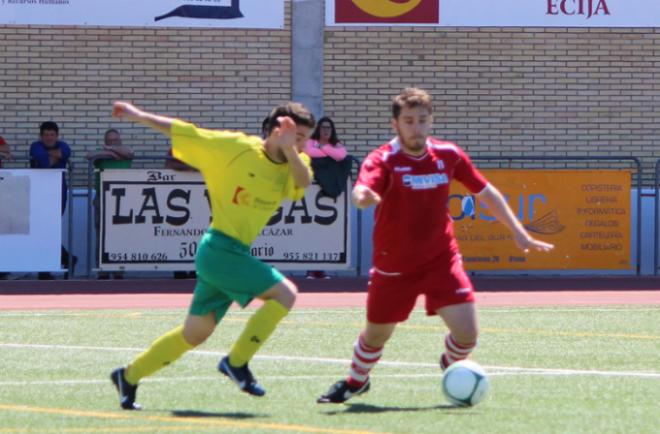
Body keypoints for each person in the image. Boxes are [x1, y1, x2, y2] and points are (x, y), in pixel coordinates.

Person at [317, 88, 554, 404]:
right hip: (394, 264)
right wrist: (364, 198)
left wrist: (518, 231)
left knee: (468, 333)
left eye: (422, 120)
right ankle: (356, 380)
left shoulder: (448, 155)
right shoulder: (383, 159)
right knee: (376, 336)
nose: (416, 127)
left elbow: (486, 192)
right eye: (409, 121)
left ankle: (450, 367)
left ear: (432, 121)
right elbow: (363, 189)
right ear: (395, 125)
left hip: (441, 259)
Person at [109, 100, 315, 410]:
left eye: (303, 138)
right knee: (286, 294)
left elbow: (304, 183)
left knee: (194, 335)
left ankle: (129, 375)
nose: (299, 144)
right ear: (275, 131)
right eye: (294, 136)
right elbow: (187, 132)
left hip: (229, 254)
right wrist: (138, 116)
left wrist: (290, 150)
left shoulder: (295, 162)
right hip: (219, 250)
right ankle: (237, 362)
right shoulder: (235, 147)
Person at [303, 116, 351, 279]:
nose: (326, 130)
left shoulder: (336, 144)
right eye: (323, 127)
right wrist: (327, 151)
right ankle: (310, 269)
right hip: (310, 193)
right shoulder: (311, 141)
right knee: (310, 233)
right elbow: (309, 152)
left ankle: (320, 269)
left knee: (325, 234)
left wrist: (323, 148)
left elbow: (342, 156)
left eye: (328, 128)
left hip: (328, 198)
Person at [29, 121, 76, 280]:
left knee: (50, 229)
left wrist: (52, 156)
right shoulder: (35, 146)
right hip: (37, 194)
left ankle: (46, 269)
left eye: (52, 135)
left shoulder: (63, 145)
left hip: (58, 193)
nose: (49, 137)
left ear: (57, 135)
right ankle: (66, 258)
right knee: (39, 230)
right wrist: (54, 155)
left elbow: (65, 153)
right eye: (46, 135)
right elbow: (45, 162)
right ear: (41, 136)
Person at [86, 129, 135, 279]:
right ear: (105, 142)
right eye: (110, 141)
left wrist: (112, 151)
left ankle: (119, 270)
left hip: (123, 198)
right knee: (101, 234)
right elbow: (89, 155)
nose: (113, 143)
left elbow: (130, 153)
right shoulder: (102, 154)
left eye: (115, 141)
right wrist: (110, 154)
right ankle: (103, 270)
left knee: (121, 234)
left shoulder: (124, 151)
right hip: (103, 197)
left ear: (120, 140)